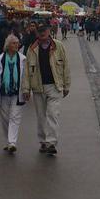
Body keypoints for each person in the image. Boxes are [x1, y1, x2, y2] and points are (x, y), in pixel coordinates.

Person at [24, 25, 70, 155]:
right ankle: (43, 141)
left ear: (49, 31)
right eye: (40, 31)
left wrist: (67, 85)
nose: (42, 33)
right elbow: (26, 70)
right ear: (37, 33)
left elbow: (66, 66)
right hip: (38, 87)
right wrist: (26, 89)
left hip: (54, 86)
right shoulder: (32, 49)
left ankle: (51, 143)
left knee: (53, 114)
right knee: (41, 117)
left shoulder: (58, 46)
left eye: (44, 30)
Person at [0, 34, 29, 153]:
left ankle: (12, 142)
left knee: (15, 117)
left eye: (17, 43)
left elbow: (26, 76)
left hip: (17, 93)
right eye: (14, 43)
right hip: (3, 93)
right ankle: (8, 141)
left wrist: (27, 90)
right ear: (8, 45)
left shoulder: (23, 59)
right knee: (5, 119)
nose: (17, 45)